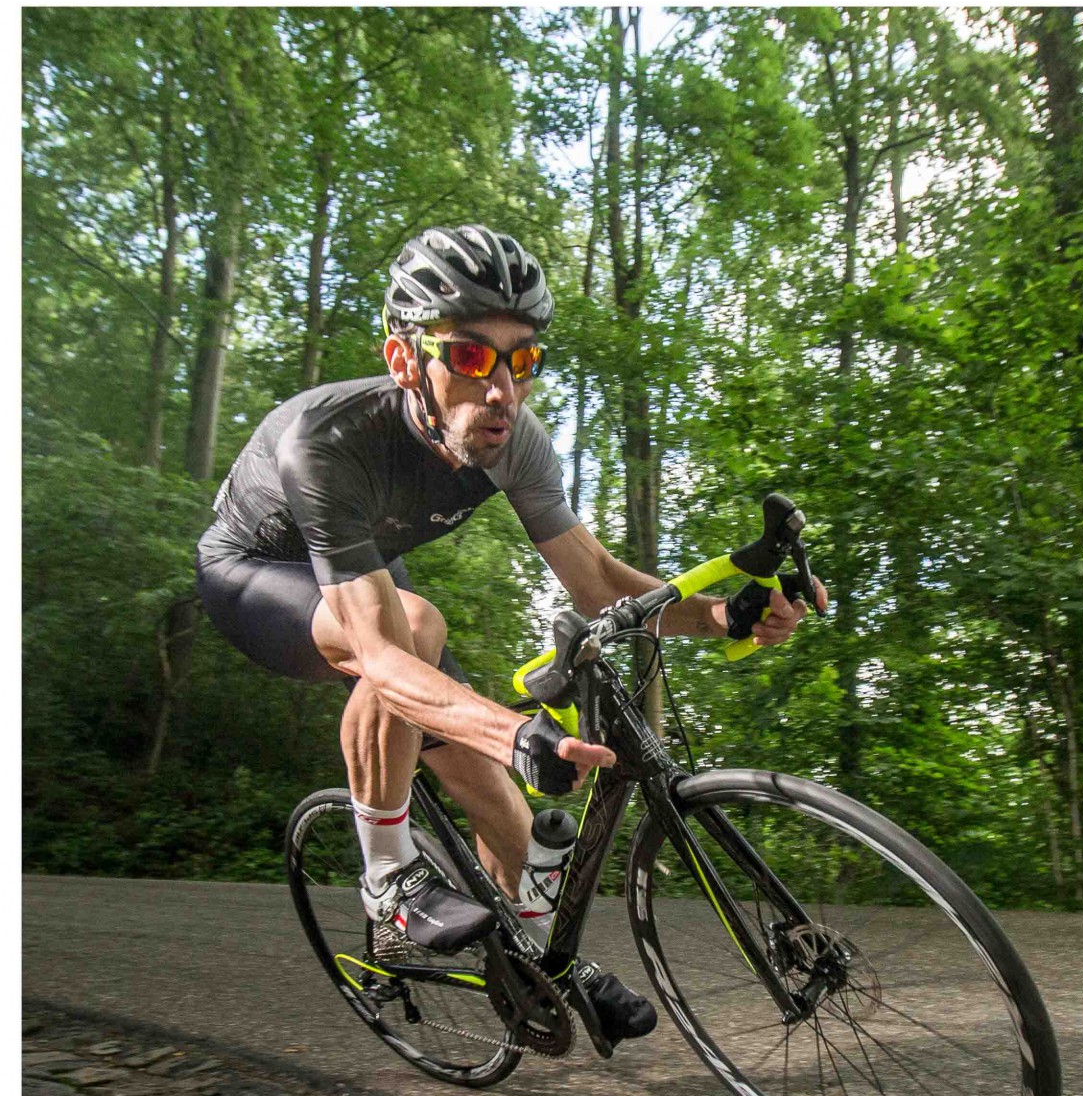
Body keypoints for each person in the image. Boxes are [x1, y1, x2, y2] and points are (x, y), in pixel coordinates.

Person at [196, 223, 825, 1046]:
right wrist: (513, 734)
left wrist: (724, 614)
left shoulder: (514, 441)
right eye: (469, 356)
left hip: (369, 582)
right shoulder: (329, 440)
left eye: (521, 360)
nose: (501, 390)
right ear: (404, 361)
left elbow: (599, 584)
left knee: (516, 829)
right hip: (254, 574)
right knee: (415, 628)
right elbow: (379, 653)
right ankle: (387, 880)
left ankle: (534, 966)